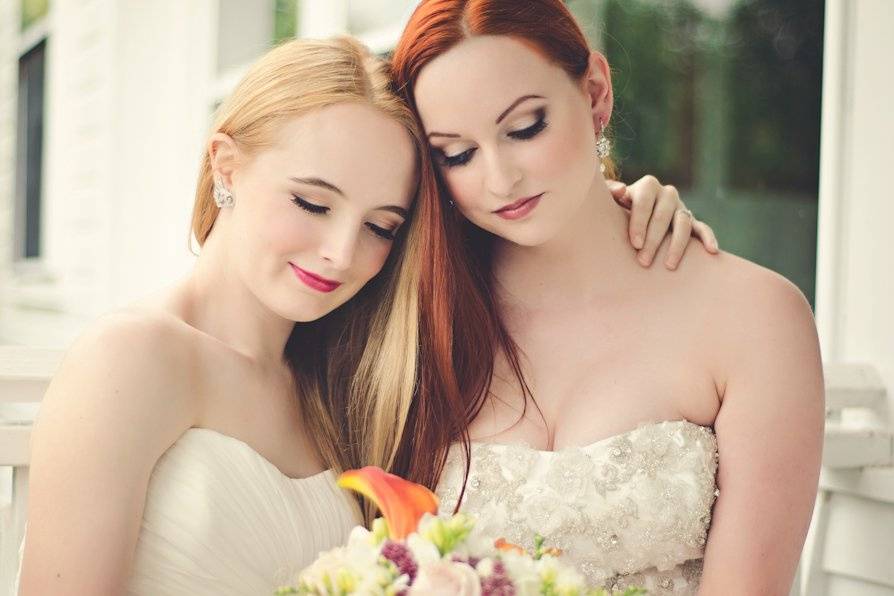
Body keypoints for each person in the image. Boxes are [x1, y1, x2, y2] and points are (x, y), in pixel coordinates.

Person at [16, 33, 709, 595]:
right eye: (312, 204)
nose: (341, 252)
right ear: (226, 166)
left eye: (382, 225)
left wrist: (618, 204)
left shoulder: (339, 381)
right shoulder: (134, 358)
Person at [388, 1, 824, 594]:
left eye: (524, 128)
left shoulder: (756, 319)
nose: (499, 179)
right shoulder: (407, 322)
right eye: (457, 155)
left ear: (595, 93)